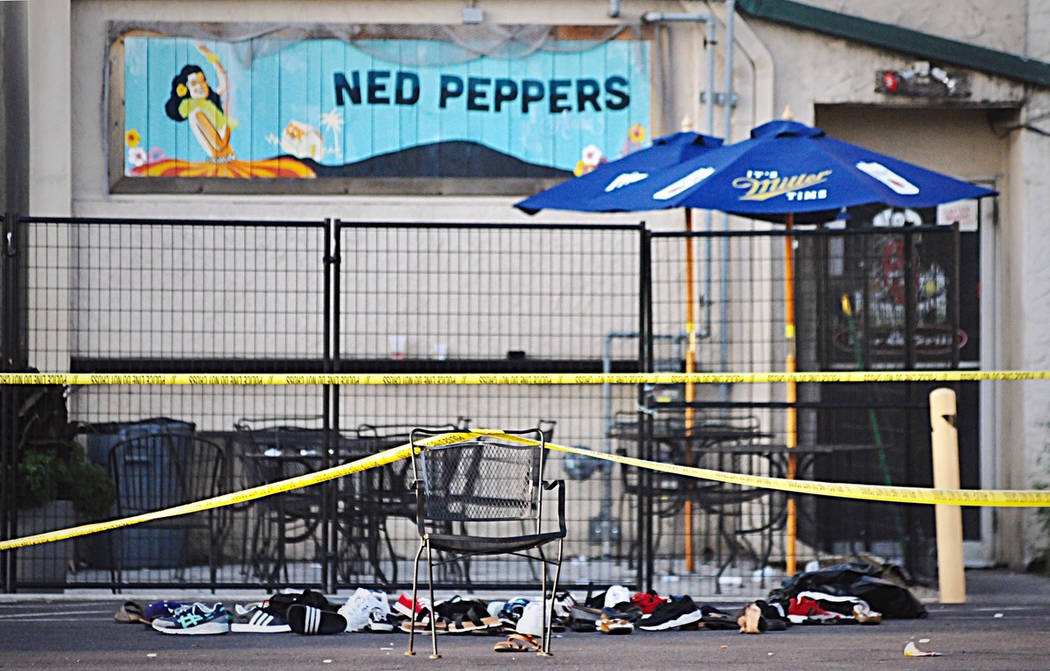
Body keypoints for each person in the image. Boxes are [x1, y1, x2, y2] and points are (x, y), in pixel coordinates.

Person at [164, 43, 235, 160]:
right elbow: (220, 145)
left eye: (202, 81)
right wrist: (228, 119)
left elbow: (224, 82)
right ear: (187, 89)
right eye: (194, 83)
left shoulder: (209, 104)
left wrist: (208, 53)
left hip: (230, 161)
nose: (200, 86)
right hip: (220, 164)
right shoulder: (196, 113)